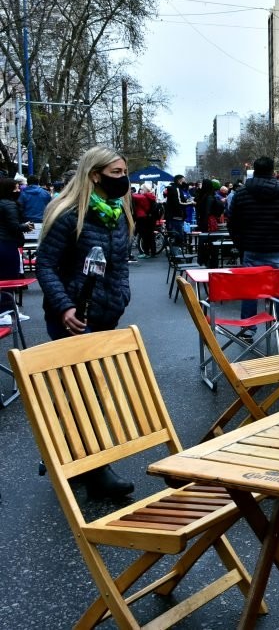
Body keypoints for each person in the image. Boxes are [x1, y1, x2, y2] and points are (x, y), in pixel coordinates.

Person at [36, 145, 134, 499]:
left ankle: (62, 450)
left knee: (79, 388)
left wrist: (122, 295)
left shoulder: (118, 213)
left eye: (125, 173)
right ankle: (96, 472)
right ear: (95, 175)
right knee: (87, 391)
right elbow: (44, 266)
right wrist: (64, 306)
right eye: (117, 173)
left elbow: (121, 262)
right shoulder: (68, 214)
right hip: (71, 317)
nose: (124, 179)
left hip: (106, 313)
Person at [228, 156, 279, 341]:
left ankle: (248, 328)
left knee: (250, 289)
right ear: (273, 172)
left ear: (254, 171)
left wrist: (241, 245)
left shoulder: (241, 194)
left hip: (252, 248)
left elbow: (233, 223)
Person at [0, 178, 33, 279]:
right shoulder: (10, 205)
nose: (19, 191)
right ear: (8, 190)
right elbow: (14, 226)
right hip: (7, 243)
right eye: (16, 189)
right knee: (9, 277)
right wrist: (26, 226)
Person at [162, 174, 194, 245]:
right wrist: (190, 203)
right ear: (179, 181)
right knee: (178, 235)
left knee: (175, 234)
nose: (185, 182)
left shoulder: (174, 188)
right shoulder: (176, 189)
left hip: (174, 214)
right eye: (184, 180)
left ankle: (174, 249)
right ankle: (177, 251)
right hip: (176, 215)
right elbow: (179, 202)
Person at [131, 182, 158, 258]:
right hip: (150, 219)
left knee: (144, 237)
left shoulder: (143, 197)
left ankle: (146, 253)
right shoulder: (151, 196)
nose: (140, 191)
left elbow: (133, 196)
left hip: (143, 219)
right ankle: (153, 252)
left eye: (142, 189)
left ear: (145, 189)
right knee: (150, 236)